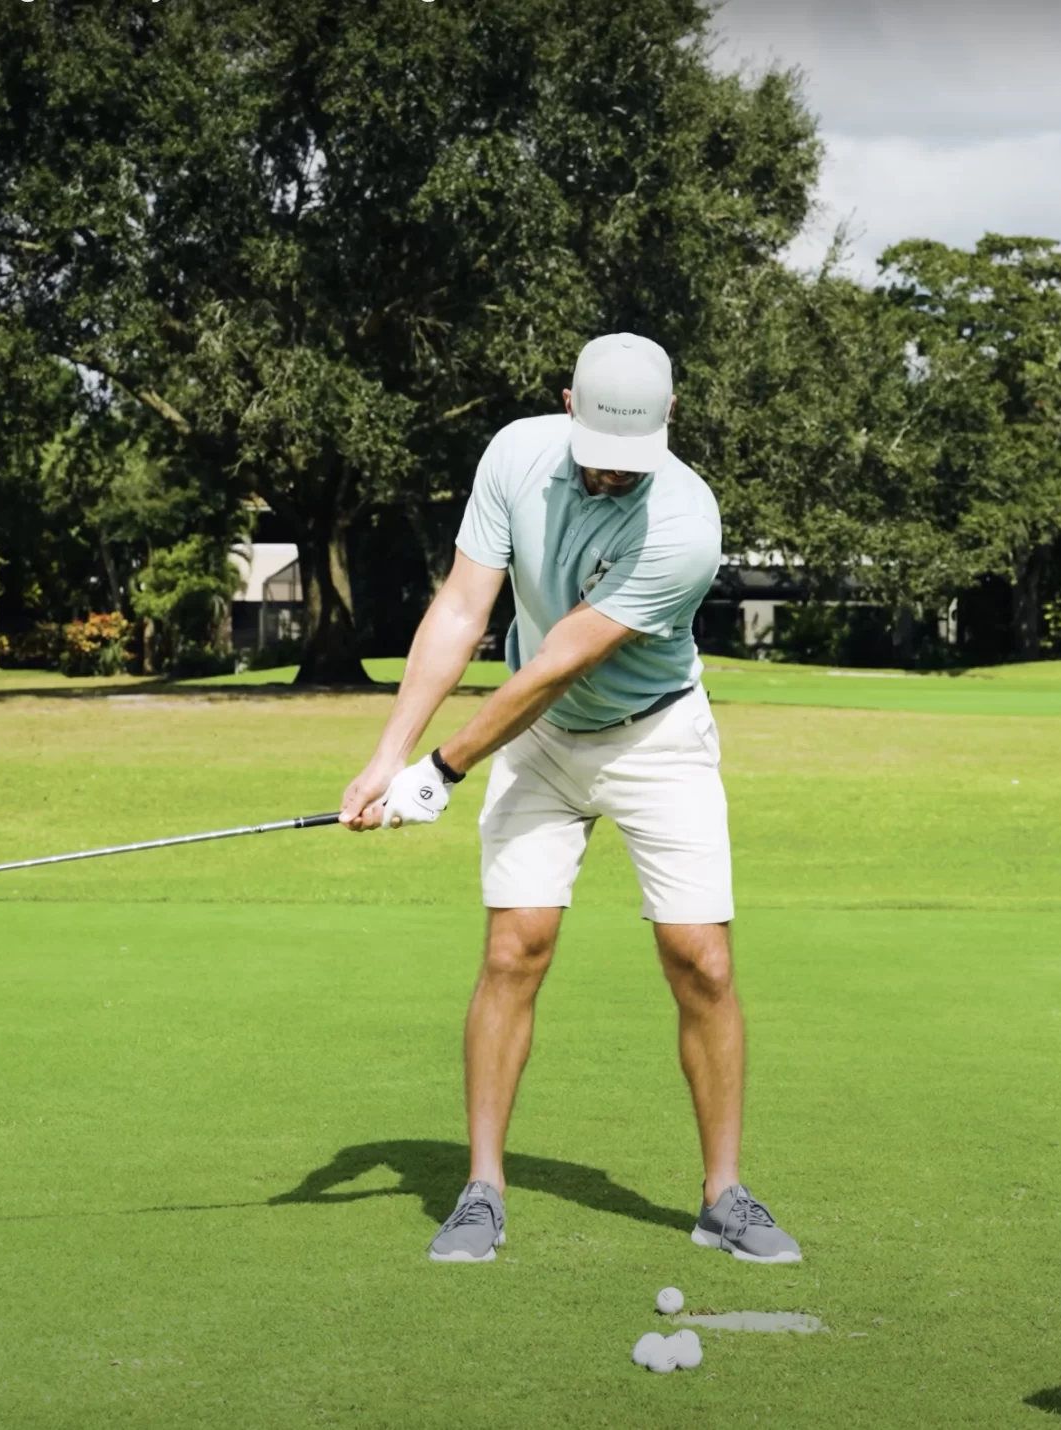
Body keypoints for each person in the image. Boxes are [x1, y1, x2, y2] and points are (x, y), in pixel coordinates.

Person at [341, 332, 801, 1267]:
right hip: (537, 744)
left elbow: (558, 663)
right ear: (567, 407)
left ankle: (724, 1195)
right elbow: (465, 612)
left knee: (701, 960)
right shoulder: (514, 455)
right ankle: (480, 1192)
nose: (610, 479)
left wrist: (442, 770)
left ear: (669, 421)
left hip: (656, 738)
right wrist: (389, 757)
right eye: (596, 458)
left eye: (629, 463)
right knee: (515, 948)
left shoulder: (686, 522)